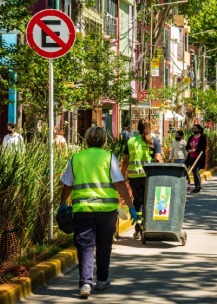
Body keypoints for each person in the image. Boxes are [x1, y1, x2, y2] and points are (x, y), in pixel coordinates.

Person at [58, 126, 136, 298]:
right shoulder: (109, 157)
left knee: (85, 245)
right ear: (104, 141)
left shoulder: (77, 158)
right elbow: (119, 183)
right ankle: (102, 280)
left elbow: (68, 184)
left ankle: (85, 283)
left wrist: (62, 203)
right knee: (104, 244)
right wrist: (131, 206)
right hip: (107, 210)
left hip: (83, 209)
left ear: (86, 141)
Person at [120, 119, 162, 239]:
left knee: (138, 201)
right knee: (148, 201)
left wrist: (122, 174)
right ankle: (146, 226)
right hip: (148, 177)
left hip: (134, 177)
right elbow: (158, 159)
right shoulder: (154, 141)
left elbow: (126, 160)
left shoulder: (131, 141)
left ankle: (138, 228)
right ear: (149, 128)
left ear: (137, 128)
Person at [185, 124, 207, 193]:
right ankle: (198, 185)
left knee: (196, 171)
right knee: (194, 172)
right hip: (191, 157)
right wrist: (188, 149)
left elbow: (203, 148)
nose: (194, 130)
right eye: (193, 129)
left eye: (195, 129)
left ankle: (198, 186)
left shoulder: (202, 138)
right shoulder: (191, 137)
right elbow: (187, 146)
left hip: (198, 158)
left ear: (199, 129)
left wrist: (196, 150)